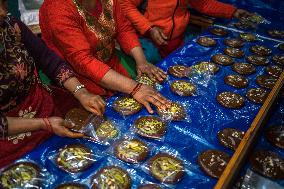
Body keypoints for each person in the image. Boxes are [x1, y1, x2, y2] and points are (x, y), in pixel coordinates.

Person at [0, 0, 106, 168]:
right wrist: (45, 123)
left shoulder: (9, 23)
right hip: (9, 137)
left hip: (44, 105)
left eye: (3, 3)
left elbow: (47, 60)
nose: (3, 12)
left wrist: (81, 92)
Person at [39, 0, 170, 114]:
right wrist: (134, 88)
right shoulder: (57, 8)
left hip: (110, 65)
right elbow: (83, 61)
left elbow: (123, 29)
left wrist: (142, 61)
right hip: (77, 79)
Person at [120, 0, 251, 60]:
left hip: (176, 39)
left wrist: (232, 11)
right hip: (148, 40)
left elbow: (203, 4)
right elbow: (125, 4)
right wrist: (149, 28)